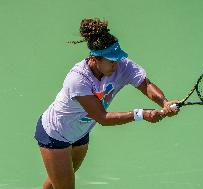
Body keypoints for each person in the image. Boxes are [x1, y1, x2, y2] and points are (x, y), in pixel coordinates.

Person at [34, 18, 179, 189]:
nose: (116, 64)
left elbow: (145, 84)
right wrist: (141, 114)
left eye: (118, 59)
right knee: (64, 185)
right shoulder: (78, 79)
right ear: (95, 59)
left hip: (80, 133)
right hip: (55, 133)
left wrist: (164, 102)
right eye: (111, 60)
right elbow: (102, 118)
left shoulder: (122, 65)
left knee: (57, 181)